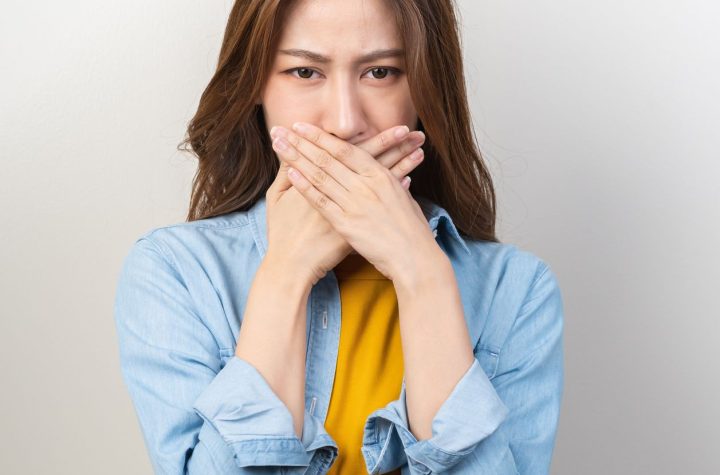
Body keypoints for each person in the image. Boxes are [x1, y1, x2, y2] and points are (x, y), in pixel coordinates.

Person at [114, 0, 565, 473]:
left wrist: (421, 273)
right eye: (305, 72)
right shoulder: (175, 271)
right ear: (254, 87)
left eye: (382, 72)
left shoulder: (517, 289)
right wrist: (285, 275)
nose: (346, 122)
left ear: (426, 90)